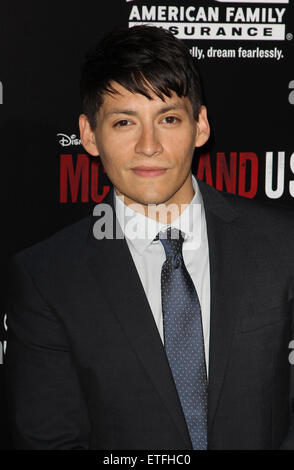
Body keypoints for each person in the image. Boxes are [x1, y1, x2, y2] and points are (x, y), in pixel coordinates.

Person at [5, 25, 294, 450]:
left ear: (200, 126)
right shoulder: (46, 277)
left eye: (169, 119)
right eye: (124, 122)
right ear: (89, 135)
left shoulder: (282, 245)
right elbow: (49, 438)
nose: (148, 145)